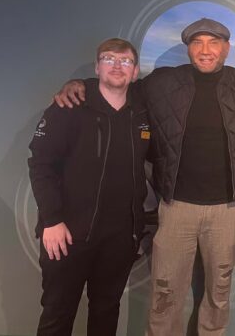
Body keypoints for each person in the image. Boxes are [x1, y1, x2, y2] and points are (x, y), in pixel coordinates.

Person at [54, 18, 235, 336]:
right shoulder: (162, 83)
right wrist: (82, 84)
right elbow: (118, 87)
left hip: (228, 210)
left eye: (213, 42)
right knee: (165, 295)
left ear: (226, 48)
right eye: (197, 42)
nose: (205, 50)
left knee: (218, 296)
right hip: (176, 208)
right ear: (188, 48)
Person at [29, 38, 150, 336]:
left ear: (135, 71)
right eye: (109, 59)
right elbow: (40, 164)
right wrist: (52, 220)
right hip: (67, 235)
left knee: (106, 314)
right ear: (97, 67)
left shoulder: (142, 113)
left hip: (119, 239)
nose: (117, 66)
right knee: (57, 316)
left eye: (125, 61)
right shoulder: (69, 106)